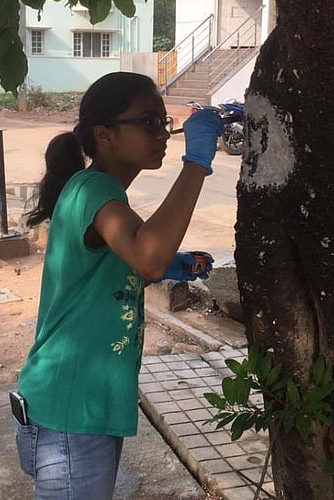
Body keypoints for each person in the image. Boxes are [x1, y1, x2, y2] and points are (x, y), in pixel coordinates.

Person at [13, 71, 224, 499]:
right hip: (71, 407)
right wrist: (197, 162)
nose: (162, 134)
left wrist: (172, 266)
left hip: (82, 404)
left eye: (163, 122)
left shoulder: (98, 192)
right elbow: (148, 256)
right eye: (147, 121)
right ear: (104, 134)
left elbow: (122, 262)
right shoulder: (94, 189)